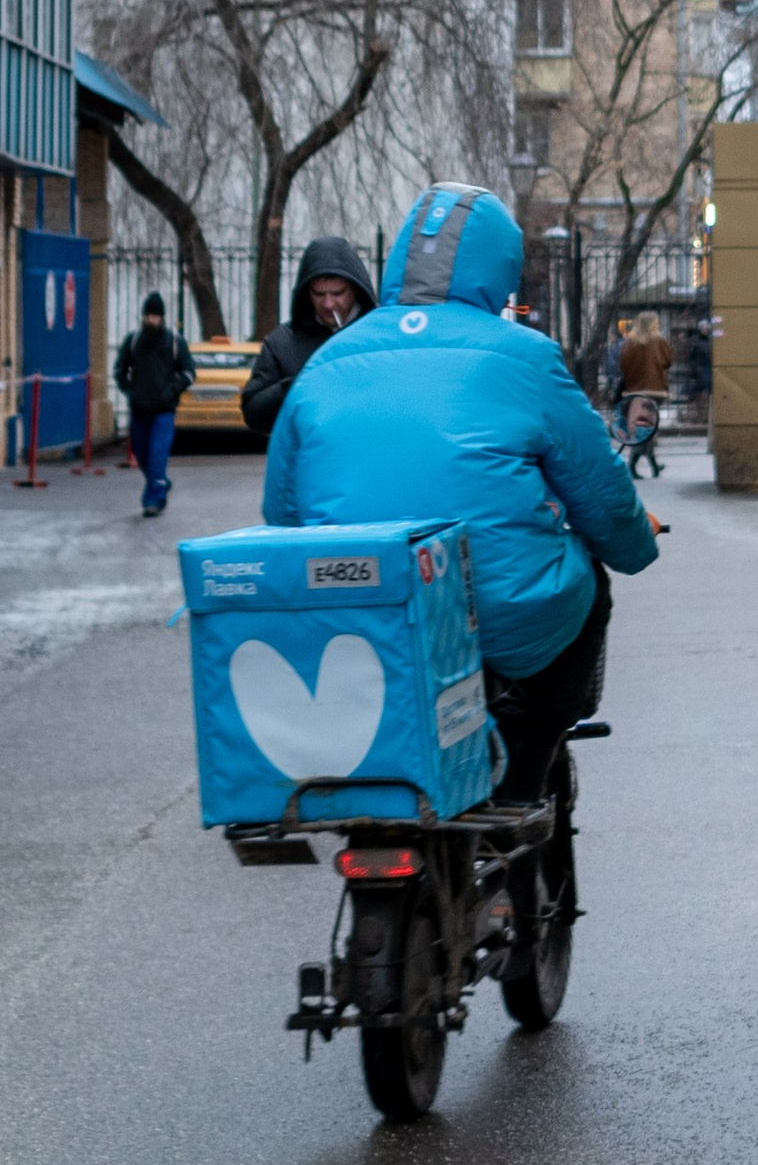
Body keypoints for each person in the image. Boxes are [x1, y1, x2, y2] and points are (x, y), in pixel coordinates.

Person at [263, 183, 657, 798]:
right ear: (500, 267)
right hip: (498, 619)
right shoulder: (525, 356)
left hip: (359, 614)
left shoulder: (328, 361)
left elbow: (282, 514)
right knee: (589, 594)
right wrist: (634, 547)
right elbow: (599, 492)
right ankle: (522, 782)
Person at [241, 232, 376, 445]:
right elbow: (255, 416)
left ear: (355, 290)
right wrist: (296, 385)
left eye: (338, 293)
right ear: (306, 292)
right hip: (308, 464)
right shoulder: (282, 342)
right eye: (319, 294)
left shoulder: (378, 336)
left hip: (366, 458)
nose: (328, 304)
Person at [113, 292, 196, 516]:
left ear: (162, 318)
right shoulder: (134, 341)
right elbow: (120, 370)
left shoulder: (174, 342)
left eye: (155, 316)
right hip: (140, 409)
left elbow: (189, 372)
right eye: (148, 316)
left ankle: (153, 500)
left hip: (164, 411)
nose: (151, 320)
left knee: (157, 454)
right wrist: (131, 391)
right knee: (141, 453)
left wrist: (171, 391)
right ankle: (160, 482)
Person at [616, 316, 673, 478]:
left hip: (635, 390)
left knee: (642, 426)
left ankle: (645, 463)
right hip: (655, 390)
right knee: (648, 427)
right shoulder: (660, 341)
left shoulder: (630, 342)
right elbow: (669, 361)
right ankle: (643, 463)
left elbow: (622, 363)